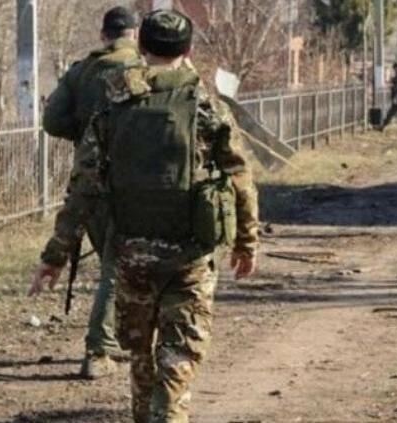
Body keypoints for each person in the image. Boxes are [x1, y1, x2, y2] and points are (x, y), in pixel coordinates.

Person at [29, 9, 260, 423]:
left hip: (131, 254)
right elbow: (240, 176)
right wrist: (246, 242)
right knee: (178, 360)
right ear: (188, 50)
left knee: (141, 359)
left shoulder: (115, 104)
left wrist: (56, 255)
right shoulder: (206, 105)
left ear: (141, 46)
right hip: (190, 256)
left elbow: (83, 187)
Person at [39, 5, 143, 380]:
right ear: (135, 35)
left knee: (112, 263)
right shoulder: (143, 69)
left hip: (89, 184)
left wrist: (85, 134)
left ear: (103, 35)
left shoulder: (81, 71)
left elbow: (52, 120)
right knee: (117, 267)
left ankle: (114, 340)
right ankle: (98, 349)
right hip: (133, 182)